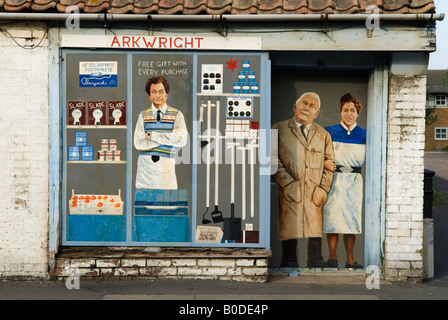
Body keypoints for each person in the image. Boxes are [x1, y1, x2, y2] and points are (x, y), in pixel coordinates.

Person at [272, 92, 335, 268]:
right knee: (290, 226)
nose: (307, 108)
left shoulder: (323, 135)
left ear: (317, 112)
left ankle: (314, 260)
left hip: (315, 190)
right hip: (290, 189)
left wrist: (323, 189)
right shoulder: (278, 128)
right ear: (294, 107)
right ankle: (289, 260)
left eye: (312, 106)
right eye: (304, 103)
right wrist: (287, 183)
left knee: (314, 227)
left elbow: (330, 164)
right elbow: (271, 159)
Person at [323, 93, 366, 269]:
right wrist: (324, 162)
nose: (349, 114)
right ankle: (332, 257)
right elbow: (315, 153)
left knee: (351, 220)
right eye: (345, 110)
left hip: (354, 182)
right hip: (334, 180)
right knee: (332, 220)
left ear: (358, 113)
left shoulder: (364, 134)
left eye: (353, 110)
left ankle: (350, 259)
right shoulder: (329, 131)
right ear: (340, 112)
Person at [134, 76, 188, 190]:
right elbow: (138, 143)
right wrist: (168, 138)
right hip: (145, 174)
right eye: (154, 92)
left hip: (166, 173)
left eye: (161, 92)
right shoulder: (143, 116)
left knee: (167, 206)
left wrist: (151, 135)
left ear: (166, 95)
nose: (157, 95)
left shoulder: (177, 115)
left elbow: (182, 140)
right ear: (149, 95)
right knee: (144, 207)